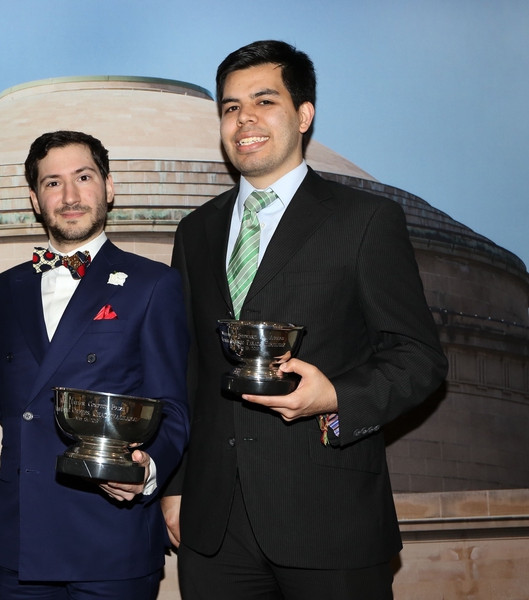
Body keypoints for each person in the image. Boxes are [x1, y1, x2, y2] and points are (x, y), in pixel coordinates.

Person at [161, 41, 448, 599]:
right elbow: (188, 368)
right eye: (229, 106)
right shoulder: (194, 232)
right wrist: (174, 485)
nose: (244, 119)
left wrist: (336, 396)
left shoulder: (366, 220)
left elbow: (419, 357)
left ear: (304, 113)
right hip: (213, 526)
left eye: (264, 101)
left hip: (328, 518)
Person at [0, 130, 190, 599]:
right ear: (35, 199)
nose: (71, 195)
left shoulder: (153, 284)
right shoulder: (4, 289)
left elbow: (173, 407)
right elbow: (12, 411)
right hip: (21, 542)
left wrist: (145, 474)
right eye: (53, 183)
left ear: (109, 187)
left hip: (110, 536)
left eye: (83, 177)